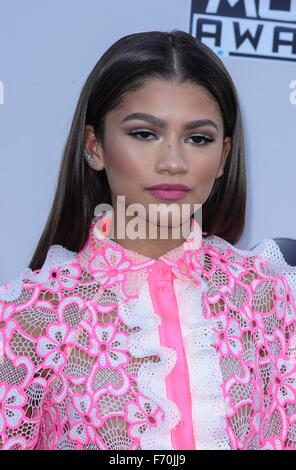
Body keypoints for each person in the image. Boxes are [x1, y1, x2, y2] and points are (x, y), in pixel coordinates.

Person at [0, 29, 295, 451]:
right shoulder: (29, 321)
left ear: (223, 157)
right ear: (94, 146)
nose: (173, 162)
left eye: (198, 139)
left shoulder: (271, 299)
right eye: (144, 134)